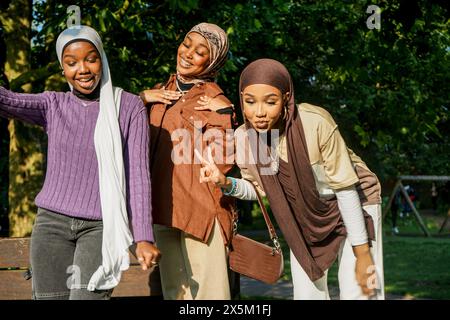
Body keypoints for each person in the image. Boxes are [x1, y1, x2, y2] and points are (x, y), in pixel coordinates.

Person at [196, 58, 385, 300]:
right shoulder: (245, 138)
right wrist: (225, 183)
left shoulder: (314, 123)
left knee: (358, 292)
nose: (259, 112)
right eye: (250, 102)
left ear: (286, 97)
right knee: (307, 295)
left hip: (356, 202)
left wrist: (363, 254)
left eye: (270, 101)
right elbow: (258, 189)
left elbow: (345, 189)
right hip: (304, 216)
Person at [0, 25, 160, 300]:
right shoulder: (53, 104)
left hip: (101, 227)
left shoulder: (129, 107)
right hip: (51, 225)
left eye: (90, 58)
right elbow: (7, 100)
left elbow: (138, 176)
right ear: (63, 69)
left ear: (102, 60)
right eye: (71, 63)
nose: (82, 69)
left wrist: (144, 236)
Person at [139, 23, 235, 300]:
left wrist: (226, 115)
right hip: (163, 208)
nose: (188, 53)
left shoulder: (216, 100)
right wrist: (140, 99)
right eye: (187, 44)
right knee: (175, 294)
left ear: (213, 61)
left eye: (200, 51)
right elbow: (122, 135)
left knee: (210, 296)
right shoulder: (158, 93)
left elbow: (224, 163)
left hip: (202, 212)